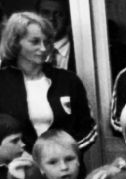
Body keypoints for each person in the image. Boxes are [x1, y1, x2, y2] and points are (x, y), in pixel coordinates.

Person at [0, 12, 97, 156]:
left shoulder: (68, 80)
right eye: (35, 42)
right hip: (19, 169)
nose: (43, 48)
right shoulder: (3, 82)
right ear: (15, 42)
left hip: (65, 168)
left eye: (47, 42)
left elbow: (89, 128)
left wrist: (65, 153)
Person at [36, 0, 73, 71]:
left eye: (59, 14)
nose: (51, 18)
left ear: (68, 19)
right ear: (36, 17)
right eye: (45, 13)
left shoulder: (82, 52)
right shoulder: (23, 51)